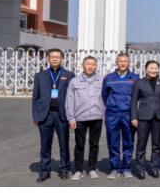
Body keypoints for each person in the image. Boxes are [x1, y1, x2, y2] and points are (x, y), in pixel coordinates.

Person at [32, 48, 75, 182]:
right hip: (45, 115)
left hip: (62, 115)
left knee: (64, 144)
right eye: (52, 57)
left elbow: (73, 97)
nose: (55, 59)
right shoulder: (40, 76)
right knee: (45, 144)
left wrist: (72, 116)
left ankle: (64, 169)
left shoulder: (69, 75)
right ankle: (45, 171)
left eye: (57, 57)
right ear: (48, 59)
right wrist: (35, 116)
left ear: (62, 59)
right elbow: (35, 97)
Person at [66, 56, 105, 180]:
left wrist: (104, 114)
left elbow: (106, 98)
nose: (90, 66)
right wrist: (71, 118)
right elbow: (69, 100)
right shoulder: (74, 81)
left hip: (96, 117)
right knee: (79, 144)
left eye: (93, 64)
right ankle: (78, 170)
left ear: (96, 66)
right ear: (83, 65)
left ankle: (92, 168)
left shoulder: (102, 80)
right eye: (88, 64)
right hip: (80, 117)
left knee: (94, 144)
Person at [102, 52, 139, 179]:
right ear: (116, 63)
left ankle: (126, 168)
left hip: (128, 114)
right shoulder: (108, 78)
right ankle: (114, 168)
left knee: (128, 141)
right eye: (120, 61)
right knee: (113, 142)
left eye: (125, 61)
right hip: (112, 114)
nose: (123, 63)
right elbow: (104, 96)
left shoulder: (135, 78)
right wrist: (112, 105)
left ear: (129, 63)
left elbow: (137, 96)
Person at [131, 60, 160, 179]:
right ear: (146, 69)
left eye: (155, 68)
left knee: (157, 144)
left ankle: (154, 167)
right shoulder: (139, 83)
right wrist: (134, 117)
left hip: (159, 117)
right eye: (151, 68)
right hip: (143, 117)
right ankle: (140, 168)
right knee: (141, 144)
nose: (153, 70)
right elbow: (134, 102)